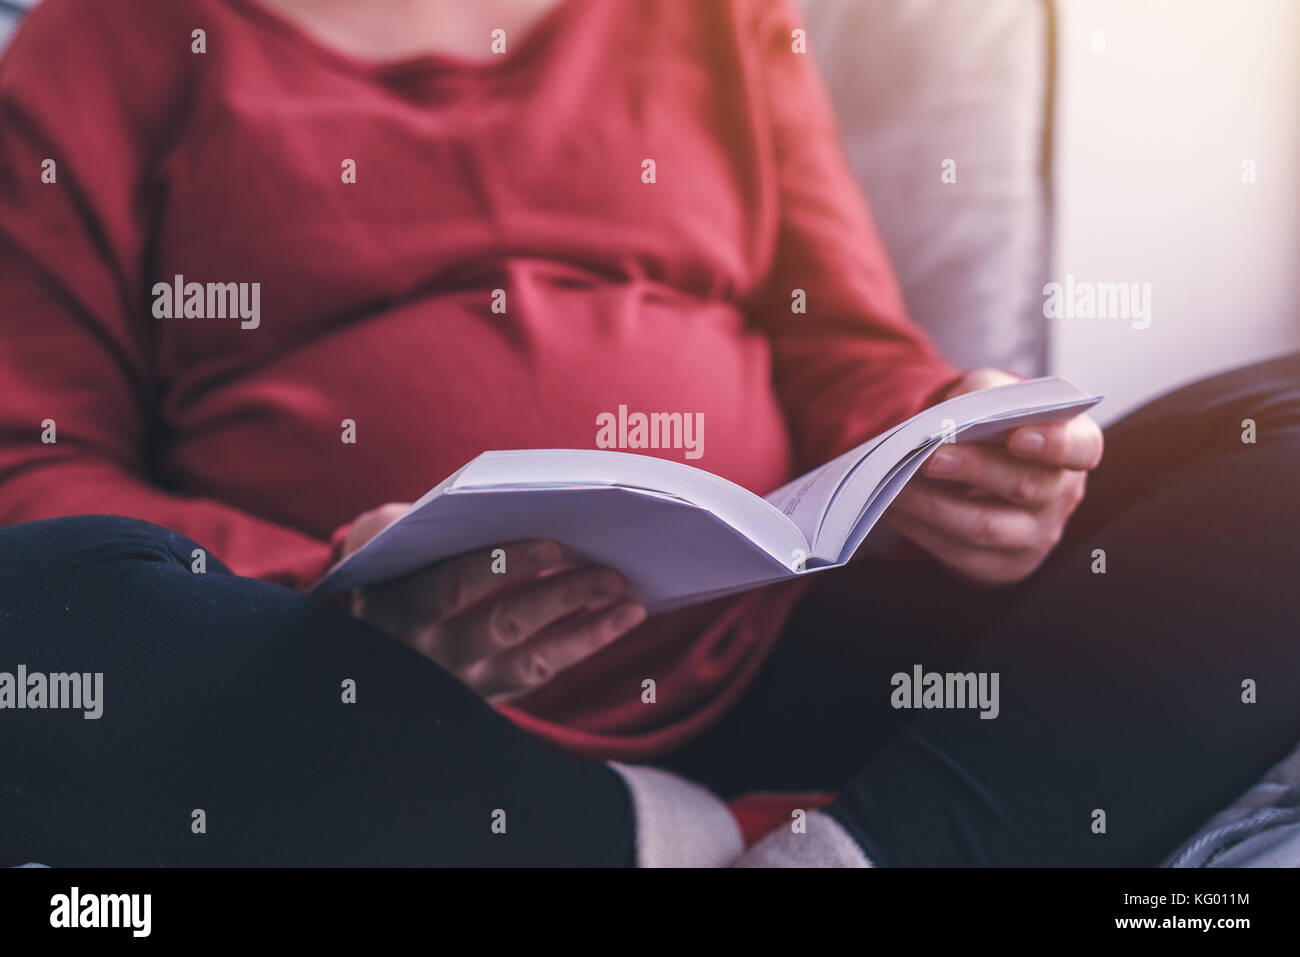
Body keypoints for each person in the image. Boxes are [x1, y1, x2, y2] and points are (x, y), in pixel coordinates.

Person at [1, 0, 1297, 866]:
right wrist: (339, 598)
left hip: (776, 641)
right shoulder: (95, 50)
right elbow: (37, 463)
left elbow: (841, 343)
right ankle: (650, 832)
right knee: (33, 620)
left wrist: (939, 446)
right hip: (362, 697)